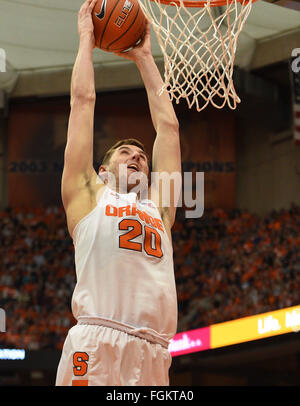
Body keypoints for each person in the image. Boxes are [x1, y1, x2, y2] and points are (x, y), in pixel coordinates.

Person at [55, 0, 181, 386]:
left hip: (156, 351)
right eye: (126, 153)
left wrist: (144, 57)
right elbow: (82, 103)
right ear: (102, 172)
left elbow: (169, 130)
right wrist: (85, 40)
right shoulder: (88, 195)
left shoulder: (160, 208)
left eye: (141, 156)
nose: (139, 156)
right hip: (97, 343)